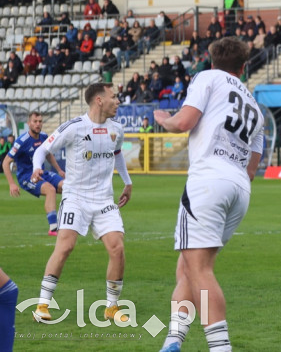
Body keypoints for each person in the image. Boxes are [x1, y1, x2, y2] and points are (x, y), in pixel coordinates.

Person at [154, 38, 263, 352]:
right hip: (240, 188)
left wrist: (164, 121)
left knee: (200, 269)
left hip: (209, 179)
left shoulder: (207, 77)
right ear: (243, 67)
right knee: (187, 267)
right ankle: (173, 340)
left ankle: (220, 348)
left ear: (211, 61)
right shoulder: (254, 106)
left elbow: (185, 121)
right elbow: (253, 168)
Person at [30, 83, 132, 324]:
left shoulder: (117, 129)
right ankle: (42, 305)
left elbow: (117, 154)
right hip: (76, 196)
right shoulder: (74, 127)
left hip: (104, 199)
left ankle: (112, 308)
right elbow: (42, 150)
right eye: (113, 97)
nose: (117, 101)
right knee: (65, 246)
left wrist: (127, 182)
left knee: (117, 248)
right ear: (99, 100)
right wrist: (36, 167)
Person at [3, 112, 65, 235]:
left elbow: (48, 154)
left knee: (68, 187)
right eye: (35, 121)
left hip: (43, 173)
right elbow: (5, 163)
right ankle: (53, 228)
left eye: (40, 121)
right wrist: (12, 184)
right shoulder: (21, 141)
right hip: (27, 177)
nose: (38, 124)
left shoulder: (43, 136)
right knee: (50, 190)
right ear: (29, 123)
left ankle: (70, 221)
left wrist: (59, 170)